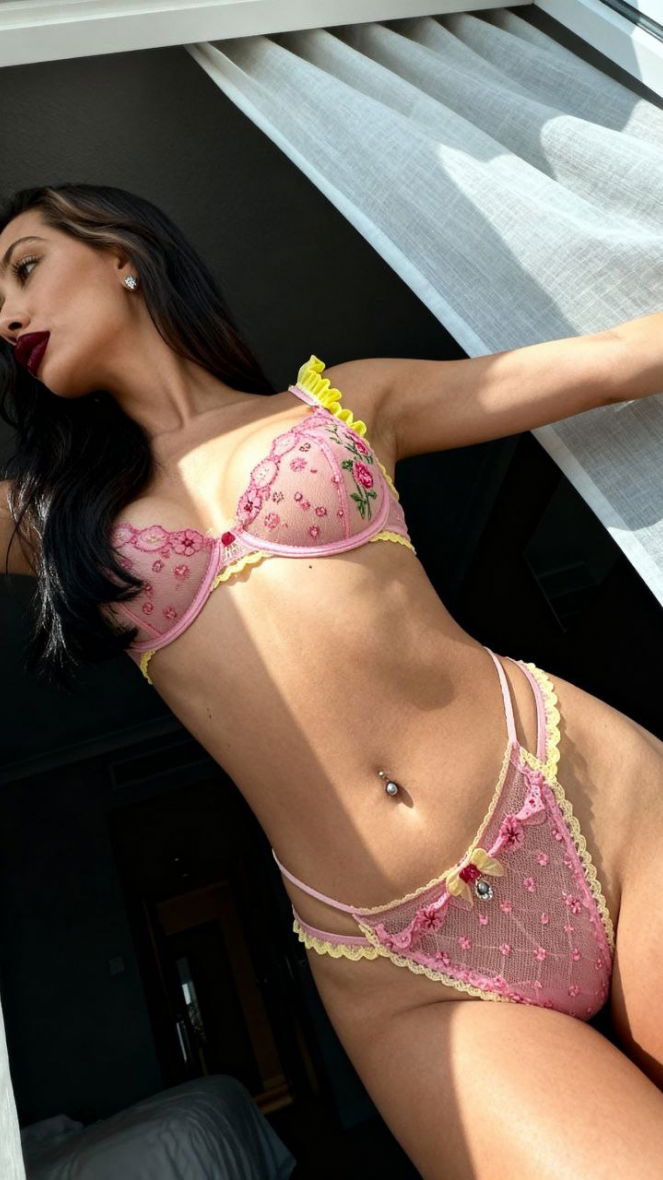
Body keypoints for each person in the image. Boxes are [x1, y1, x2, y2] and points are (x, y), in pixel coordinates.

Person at [1, 183, 662, 1179]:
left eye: (24, 268)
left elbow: (606, 362)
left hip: (594, 806)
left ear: (122, 254)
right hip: (407, 973)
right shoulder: (56, 519)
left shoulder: (341, 402)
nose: (9, 316)